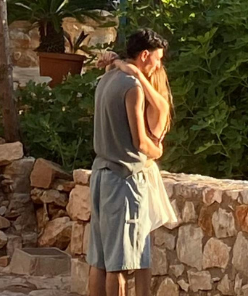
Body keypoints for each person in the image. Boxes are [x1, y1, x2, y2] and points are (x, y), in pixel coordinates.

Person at [87, 28, 167, 296]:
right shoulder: (132, 87)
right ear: (145, 55)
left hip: (100, 174)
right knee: (119, 265)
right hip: (123, 180)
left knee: (99, 261)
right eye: (158, 59)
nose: (159, 65)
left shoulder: (107, 78)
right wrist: (157, 151)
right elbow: (140, 142)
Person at [98, 48, 178, 232]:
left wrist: (121, 65)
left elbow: (146, 146)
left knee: (132, 243)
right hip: (134, 172)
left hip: (141, 173)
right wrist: (115, 63)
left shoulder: (159, 107)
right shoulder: (135, 99)